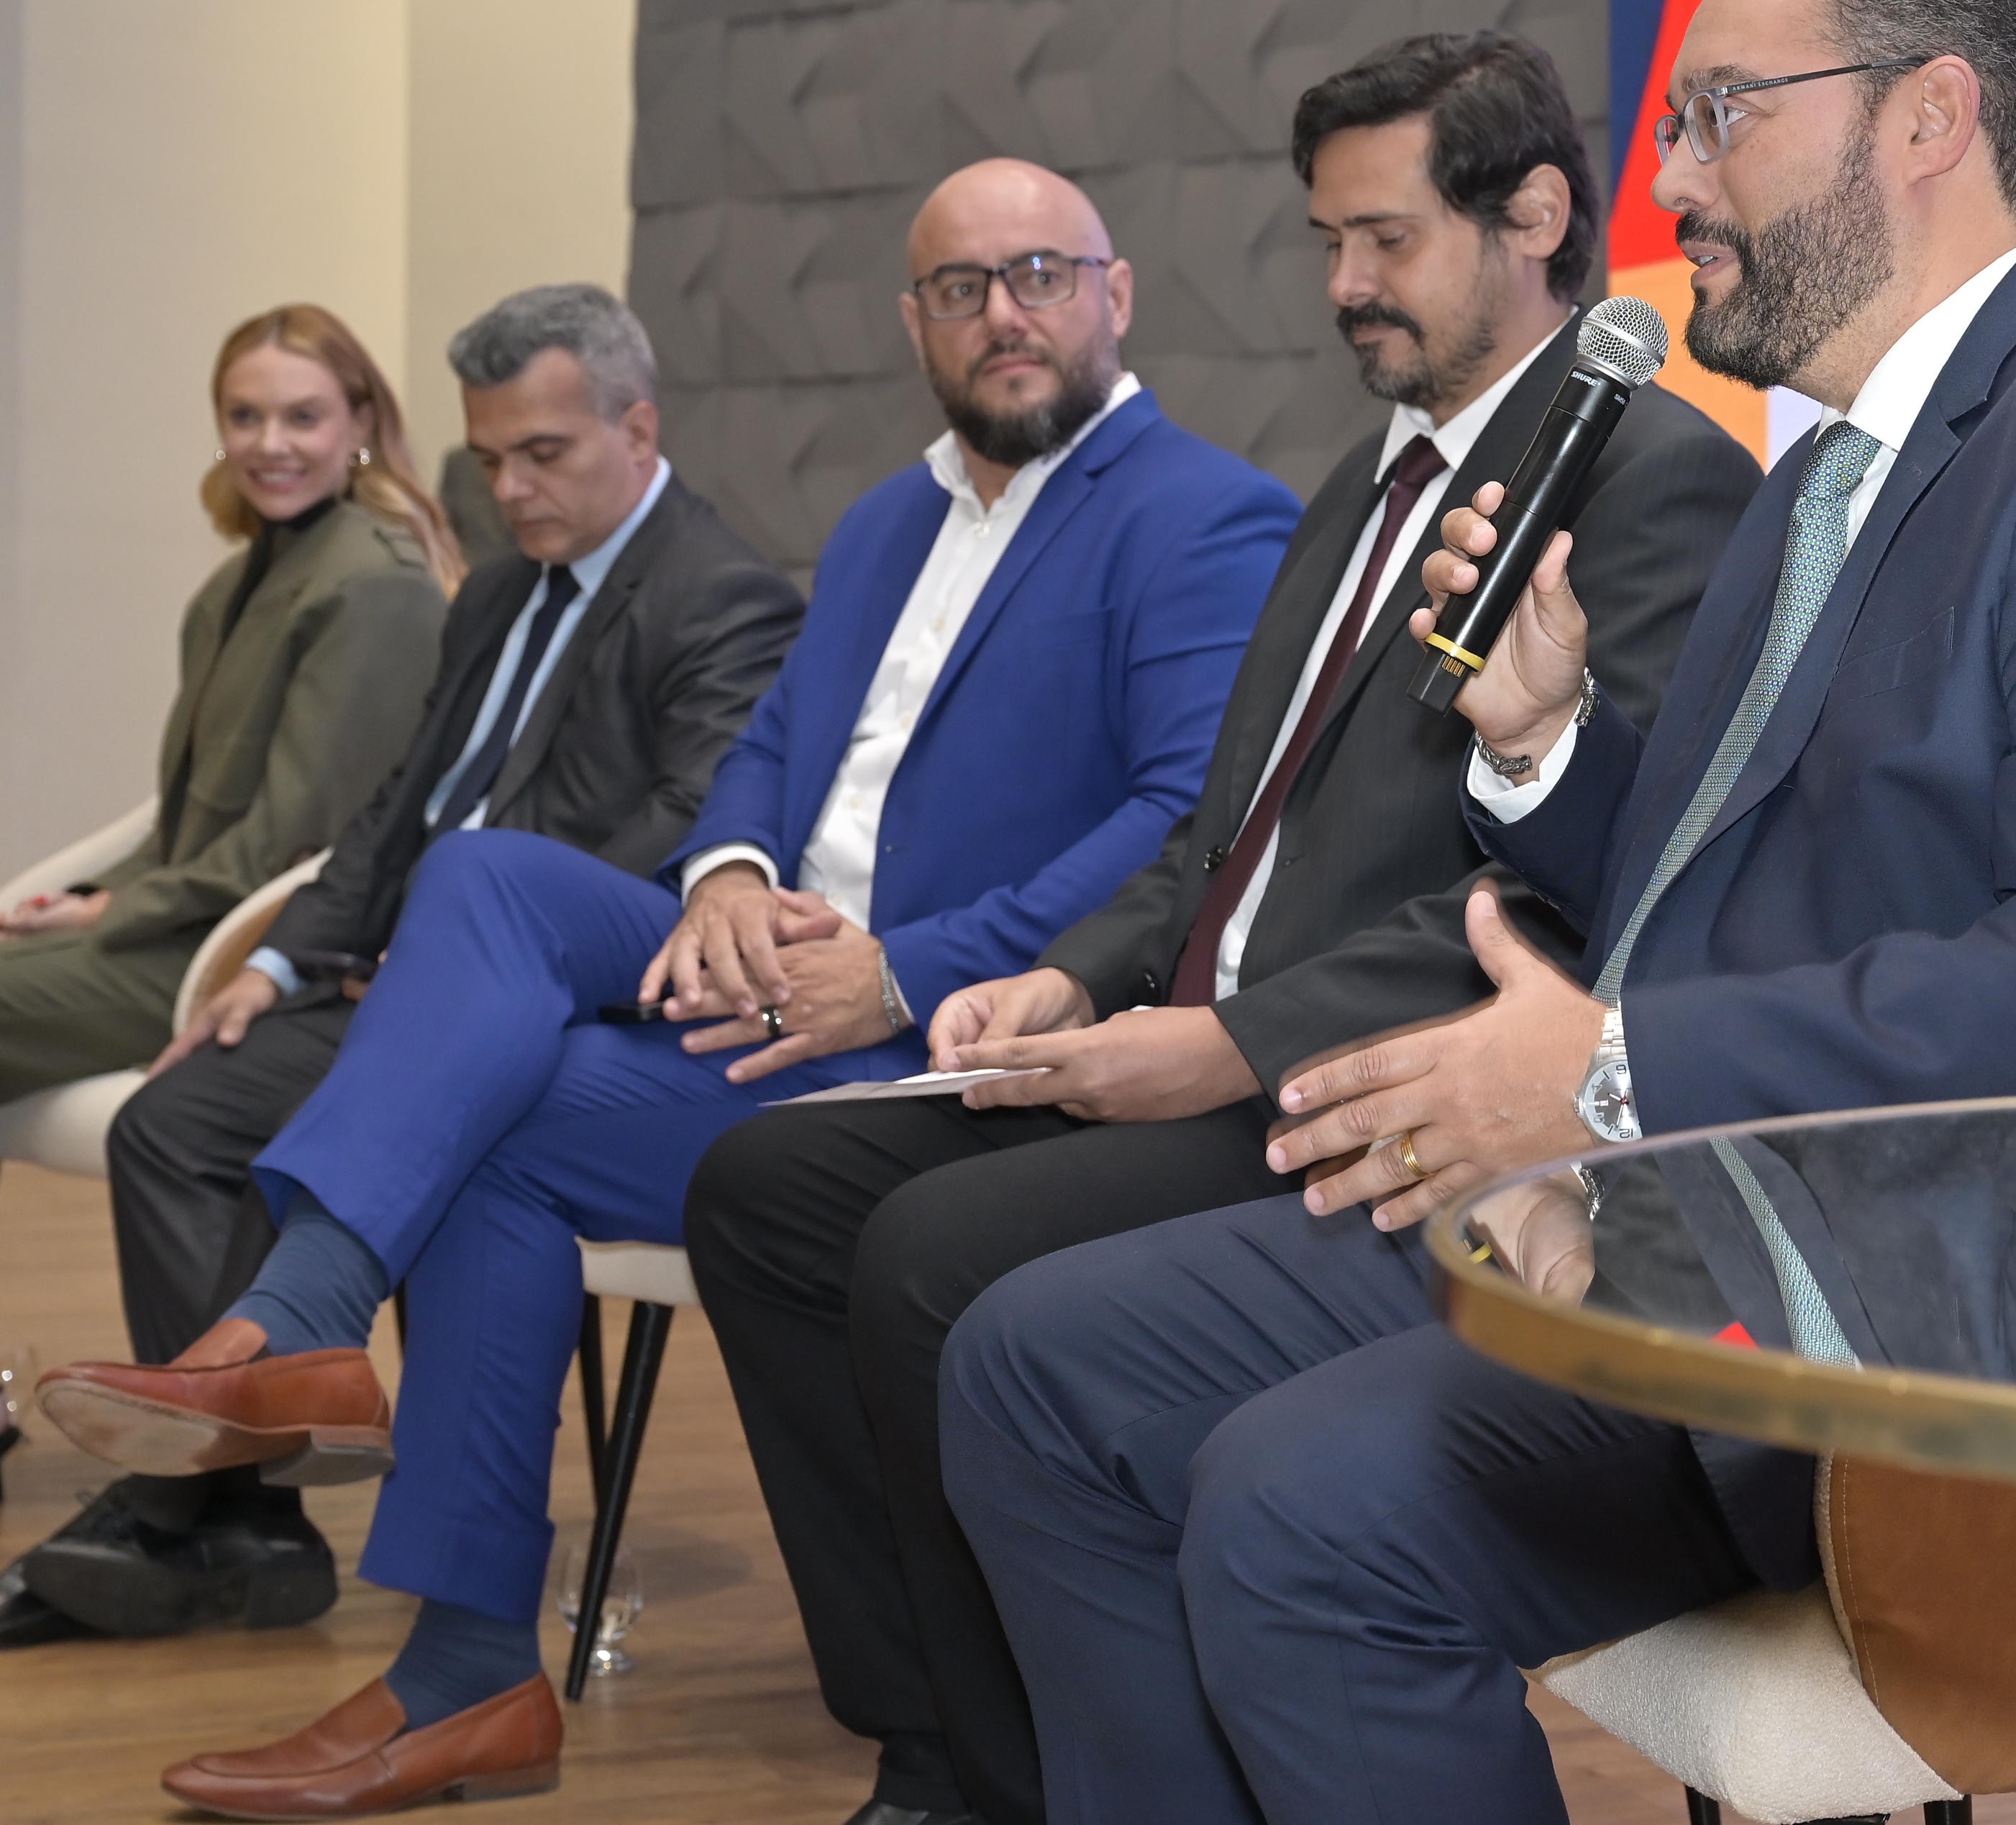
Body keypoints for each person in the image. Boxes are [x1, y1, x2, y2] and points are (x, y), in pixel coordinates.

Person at [933, 0, 2016, 1823]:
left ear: (1927, 116)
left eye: (1721, 117)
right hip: (1672, 1210)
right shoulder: (1822, 476)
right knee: (1031, 1366)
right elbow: (1734, 891)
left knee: (1295, 1519)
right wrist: (1544, 749)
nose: (1672, 181)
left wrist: (1614, 1081)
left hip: (1902, 1306)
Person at [35, 160, 1300, 1818]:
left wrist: (897, 973)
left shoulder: (1202, 513)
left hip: (953, 1036)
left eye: (1040, 273)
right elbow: (764, 757)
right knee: (483, 887)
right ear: (910, 320)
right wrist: (723, 879)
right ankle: (419, 1571)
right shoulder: (886, 522)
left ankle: (400, 1542)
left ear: (1113, 292)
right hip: (764, 994)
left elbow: (1178, 824)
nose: (1003, 313)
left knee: (490, 1115)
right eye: (958, 287)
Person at [685, 32, 1759, 1825]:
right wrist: (1066, 977)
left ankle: (1005, 1781)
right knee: (766, 1193)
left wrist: (1223, 1045)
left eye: (1385, 239)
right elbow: (1212, 835)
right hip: (1196, 1038)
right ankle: (941, 1734)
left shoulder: (1647, 480)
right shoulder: (1365, 483)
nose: (1343, 286)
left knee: (933, 1260)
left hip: (1351, 1078)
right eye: (1327, 242)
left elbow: (1577, 884)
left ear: (1533, 219)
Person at [0, 285, 802, 1654]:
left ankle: (183, 1513)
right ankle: (251, 1507)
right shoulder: (494, 589)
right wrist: (281, 957)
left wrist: (460, 954)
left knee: (270, 1106)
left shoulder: (723, 596)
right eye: (489, 459)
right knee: (176, 1121)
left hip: (536, 998)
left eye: (542, 453)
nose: (510, 488)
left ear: (637, 428)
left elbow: (686, 831)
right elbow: (397, 809)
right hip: (393, 974)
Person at [0, 306, 454, 1111]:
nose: (269, 443)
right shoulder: (235, 585)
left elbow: (291, 844)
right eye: (245, 417)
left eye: (302, 417)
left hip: (244, 953)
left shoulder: (372, 586)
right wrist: (89, 897)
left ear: (360, 424)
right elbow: (189, 823)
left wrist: (116, 909)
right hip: (179, 926)